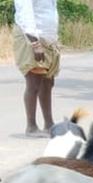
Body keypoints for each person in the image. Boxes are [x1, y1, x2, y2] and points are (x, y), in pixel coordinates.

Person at [13, 0, 61, 138]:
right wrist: (35, 43)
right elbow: (25, 13)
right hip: (31, 38)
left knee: (48, 82)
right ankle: (31, 126)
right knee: (34, 83)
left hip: (47, 40)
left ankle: (49, 123)